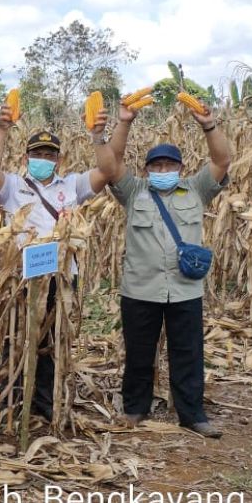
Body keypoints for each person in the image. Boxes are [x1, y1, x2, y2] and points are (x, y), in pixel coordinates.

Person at [100, 97, 230, 438]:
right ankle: (134, 410)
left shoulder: (197, 191)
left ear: (180, 169)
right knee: (139, 353)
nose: (162, 171)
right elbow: (111, 163)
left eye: (168, 166)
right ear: (146, 171)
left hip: (185, 288)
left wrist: (209, 125)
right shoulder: (133, 193)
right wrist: (124, 121)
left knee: (188, 353)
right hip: (140, 288)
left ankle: (192, 415)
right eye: (155, 166)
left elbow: (222, 159)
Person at [0, 104, 110, 421]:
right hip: (21, 276)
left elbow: (107, 171)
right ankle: (11, 396)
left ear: (59, 160)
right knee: (16, 336)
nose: (44, 159)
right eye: (37, 154)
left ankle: (45, 398)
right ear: (26, 159)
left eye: (50, 155)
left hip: (60, 276)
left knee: (52, 340)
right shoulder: (13, 186)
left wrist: (98, 136)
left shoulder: (73, 186)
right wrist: (1, 129)